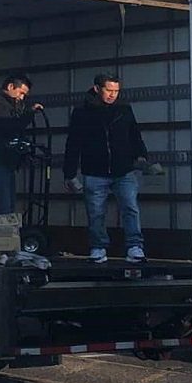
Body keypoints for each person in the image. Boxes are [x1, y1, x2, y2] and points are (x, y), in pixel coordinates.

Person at [63, 72, 149, 263]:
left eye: (116, 91)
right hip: (94, 170)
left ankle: (135, 245)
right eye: (109, 90)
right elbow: (73, 143)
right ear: (97, 89)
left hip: (123, 169)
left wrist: (142, 155)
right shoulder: (82, 113)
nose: (113, 94)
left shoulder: (124, 109)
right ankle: (98, 247)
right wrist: (69, 173)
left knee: (130, 207)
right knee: (96, 212)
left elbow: (134, 134)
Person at [0, 73, 40, 217]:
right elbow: (9, 127)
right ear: (10, 87)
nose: (21, 97)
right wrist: (28, 114)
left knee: (8, 205)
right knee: (2, 206)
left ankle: (4, 236)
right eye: (21, 92)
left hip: (5, 163)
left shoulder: (9, 106)